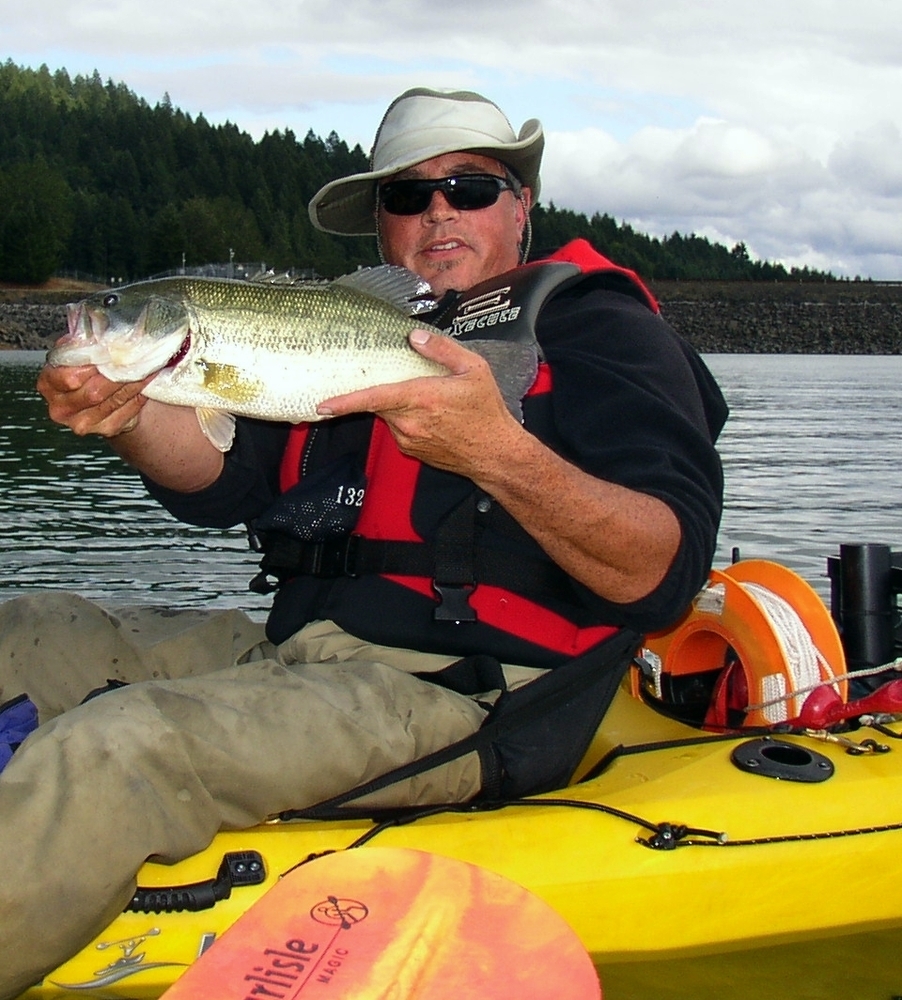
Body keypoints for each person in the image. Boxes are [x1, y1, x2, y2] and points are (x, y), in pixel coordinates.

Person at [0, 86, 727, 996]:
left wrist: (501, 455)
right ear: (380, 225)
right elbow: (220, 484)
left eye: (469, 187)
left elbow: (663, 573)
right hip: (299, 651)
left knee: (120, 742)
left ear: (520, 207)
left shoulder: (598, 331)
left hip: (465, 696)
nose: (438, 213)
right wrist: (129, 412)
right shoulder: (343, 336)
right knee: (21, 628)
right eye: (407, 196)